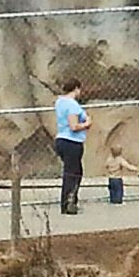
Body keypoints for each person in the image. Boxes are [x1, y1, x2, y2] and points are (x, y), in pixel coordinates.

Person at [53, 79, 90, 215]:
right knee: (73, 173)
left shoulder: (60, 102)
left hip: (62, 140)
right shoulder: (72, 105)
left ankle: (69, 201)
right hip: (72, 142)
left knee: (73, 171)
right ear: (76, 89)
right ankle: (68, 203)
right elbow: (74, 126)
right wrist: (86, 124)